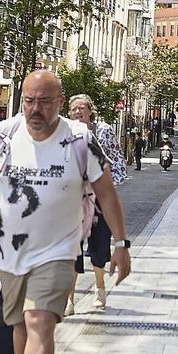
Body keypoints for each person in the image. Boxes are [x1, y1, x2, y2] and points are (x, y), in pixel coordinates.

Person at [0, 71, 131, 354]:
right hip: (10, 250)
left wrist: (121, 244)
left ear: (60, 102)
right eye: (28, 100)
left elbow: (106, 193)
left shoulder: (79, 140)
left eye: (43, 101)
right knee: (20, 327)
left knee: (39, 319)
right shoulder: (2, 137)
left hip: (59, 249)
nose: (35, 109)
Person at [64, 94, 126, 315]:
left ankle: (100, 289)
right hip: (74, 198)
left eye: (82, 108)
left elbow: (119, 162)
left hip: (98, 198)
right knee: (71, 249)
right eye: (74, 109)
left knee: (98, 247)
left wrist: (107, 185)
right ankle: (69, 300)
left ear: (91, 110)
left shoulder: (104, 131)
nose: (78, 112)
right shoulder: (65, 132)